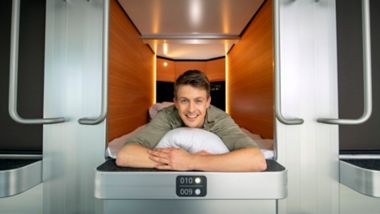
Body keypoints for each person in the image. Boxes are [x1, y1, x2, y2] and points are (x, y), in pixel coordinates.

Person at [116, 70, 267, 172]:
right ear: (175, 102)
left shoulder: (220, 119)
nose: (191, 109)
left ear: (208, 102)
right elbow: (125, 155)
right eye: (184, 101)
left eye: (198, 101)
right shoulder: (166, 115)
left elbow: (256, 159)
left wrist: (191, 162)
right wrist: (175, 160)